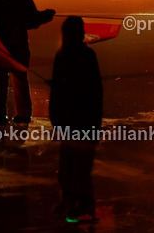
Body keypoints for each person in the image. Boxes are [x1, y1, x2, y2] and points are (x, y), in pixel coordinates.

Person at [0, 0, 55, 125]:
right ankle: (23, 113)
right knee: (20, 79)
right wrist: (46, 15)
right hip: (19, 45)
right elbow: (32, 21)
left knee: (0, 79)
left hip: (0, 47)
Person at [49, 16, 103, 224]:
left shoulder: (66, 56)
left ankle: (82, 203)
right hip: (78, 119)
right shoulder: (84, 55)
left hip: (77, 119)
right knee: (73, 166)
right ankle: (74, 201)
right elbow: (96, 90)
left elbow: (92, 90)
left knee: (76, 166)